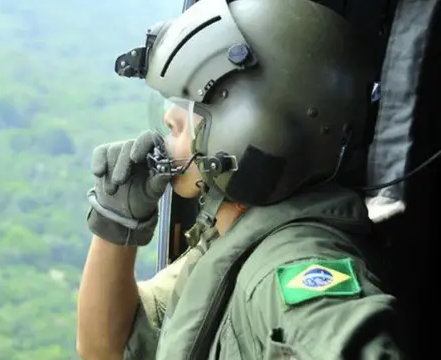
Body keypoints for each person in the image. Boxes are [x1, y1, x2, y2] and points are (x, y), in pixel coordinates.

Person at [76, 0, 405, 359]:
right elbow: (106, 348)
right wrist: (117, 225)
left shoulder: (292, 267)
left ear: (257, 125)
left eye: (194, 105)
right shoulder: (233, 239)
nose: (171, 118)